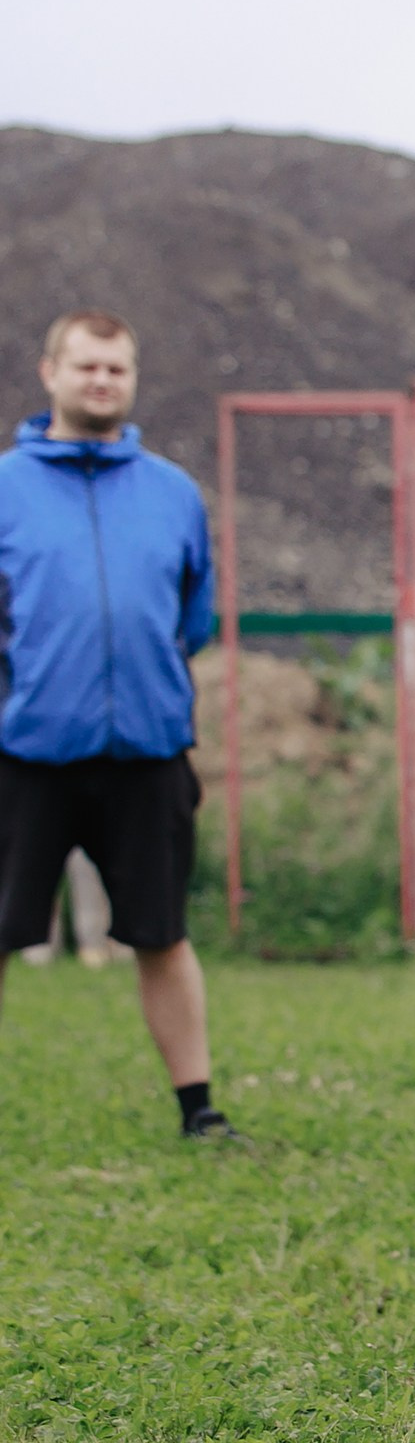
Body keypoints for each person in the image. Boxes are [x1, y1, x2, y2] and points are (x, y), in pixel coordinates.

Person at [0, 310, 241, 1141]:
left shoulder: (172, 493)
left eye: (117, 369)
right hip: (26, 754)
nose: (102, 381)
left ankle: (198, 1109)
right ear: (50, 372)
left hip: (147, 754)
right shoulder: (6, 489)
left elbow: (194, 616)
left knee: (161, 934)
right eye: (87, 367)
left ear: (132, 380)